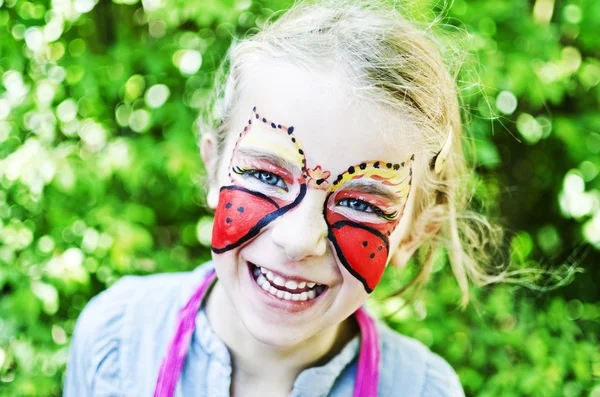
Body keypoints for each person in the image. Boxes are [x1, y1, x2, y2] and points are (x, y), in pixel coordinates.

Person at [63, 0, 493, 395]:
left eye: (362, 204)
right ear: (214, 169)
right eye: (266, 176)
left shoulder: (423, 390)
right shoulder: (115, 341)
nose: (299, 238)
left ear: (415, 236)